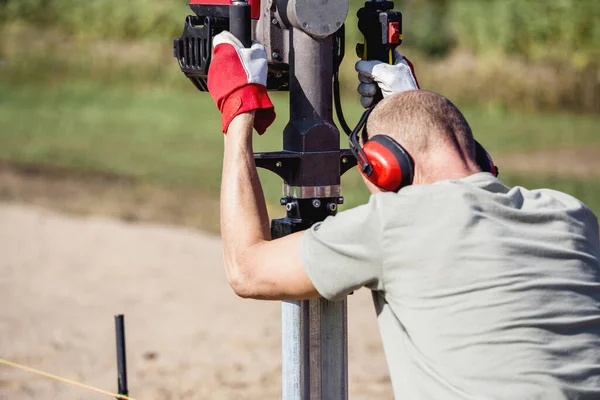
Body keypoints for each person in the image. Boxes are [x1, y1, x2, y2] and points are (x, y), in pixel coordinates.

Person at [207, 31, 600, 398]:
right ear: (479, 155)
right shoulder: (570, 216)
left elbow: (247, 269)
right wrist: (412, 107)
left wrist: (238, 111)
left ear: (384, 165)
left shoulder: (397, 224)